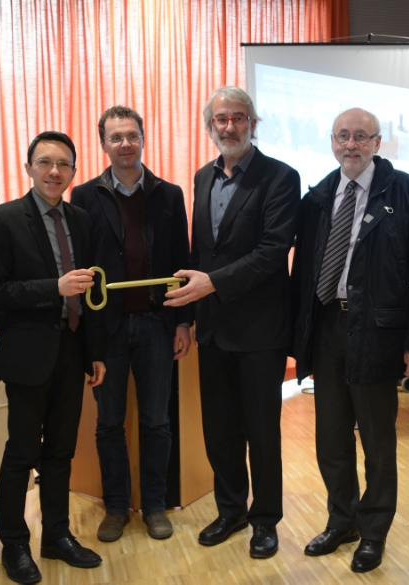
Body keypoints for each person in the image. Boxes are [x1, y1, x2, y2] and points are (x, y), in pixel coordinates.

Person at [291, 108, 409, 573]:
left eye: (360, 136)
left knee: (377, 442)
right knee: (331, 438)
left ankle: (373, 532)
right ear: (332, 142)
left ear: (377, 142)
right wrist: (299, 337)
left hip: (378, 332)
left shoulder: (408, 192)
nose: (350, 144)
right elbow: (304, 271)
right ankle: (342, 521)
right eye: (343, 136)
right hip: (327, 329)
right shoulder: (318, 196)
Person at [164, 86, 300, 559]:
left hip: (260, 331)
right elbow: (200, 253)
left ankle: (265, 520)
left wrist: (212, 284)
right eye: (221, 119)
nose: (229, 126)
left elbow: (273, 251)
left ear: (252, 124)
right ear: (210, 126)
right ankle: (231, 510)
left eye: (238, 118)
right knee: (219, 431)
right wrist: (186, 317)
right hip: (213, 328)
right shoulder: (203, 177)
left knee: (261, 433)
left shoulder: (280, 177)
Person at [0, 131, 106, 583]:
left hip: (72, 351)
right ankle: (14, 544)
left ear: (73, 171)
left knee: (60, 452)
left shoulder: (82, 219)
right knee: (20, 454)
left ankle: (56, 535)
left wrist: (95, 353)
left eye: (63, 164)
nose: (54, 172)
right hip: (27, 355)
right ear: (29, 167)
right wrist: (53, 288)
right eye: (45, 162)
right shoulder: (3, 219)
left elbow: (91, 293)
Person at [71, 105, 192, 542]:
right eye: (116, 137)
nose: (125, 144)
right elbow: (81, 264)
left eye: (132, 135)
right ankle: (117, 507)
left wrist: (183, 322)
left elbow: (181, 259)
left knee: (157, 421)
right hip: (108, 330)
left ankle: (154, 506)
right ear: (103, 143)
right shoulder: (84, 196)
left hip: (158, 325)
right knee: (109, 423)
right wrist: (88, 336)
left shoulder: (169, 193)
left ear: (143, 138)